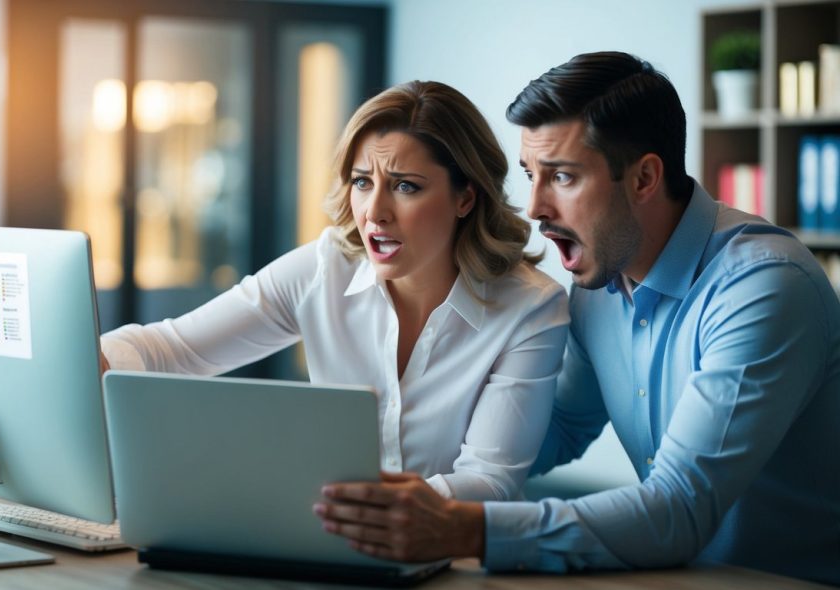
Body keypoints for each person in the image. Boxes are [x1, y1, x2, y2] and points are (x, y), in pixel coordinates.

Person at [315, 52, 840, 586]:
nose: (535, 207)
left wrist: (463, 527)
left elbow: (678, 509)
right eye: (530, 175)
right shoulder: (601, 288)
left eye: (562, 177)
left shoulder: (764, 287)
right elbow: (553, 428)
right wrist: (367, 481)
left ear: (644, 178)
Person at [100, 80, 569, 502]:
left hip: (453, 556)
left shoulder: (529, 308)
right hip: (323, 533)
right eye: (363, 183)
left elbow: (488, 481)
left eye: (406, 186)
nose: (374, 213)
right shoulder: (325, 268)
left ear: (465, 197)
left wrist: (359, 510)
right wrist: (74, 365)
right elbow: (172, 350)